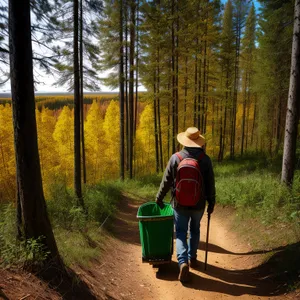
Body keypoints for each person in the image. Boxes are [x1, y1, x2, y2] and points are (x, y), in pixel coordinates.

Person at [155, 127, 216, 283]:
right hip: (199, 203)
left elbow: (166, 181)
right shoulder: (205, 159)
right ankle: (193, 257)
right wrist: (211, 202)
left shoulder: (175, 158)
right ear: (198, 141)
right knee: (195, 229)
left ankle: (183, 262)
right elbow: (210, 184)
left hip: (179, 203)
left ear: (184, 141)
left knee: (181, 232)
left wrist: (159, 198)